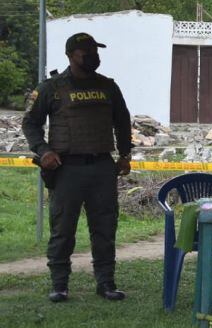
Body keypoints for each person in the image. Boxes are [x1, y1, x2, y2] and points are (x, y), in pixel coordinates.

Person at [22, 33, 133, 302]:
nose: (94, 56)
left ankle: (106, 283)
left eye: (96, 51)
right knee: (63, 230)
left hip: (102, 167)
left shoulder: (108, 86)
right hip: (66, 169)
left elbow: (122, 121)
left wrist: (125, 154)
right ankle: (59, 285)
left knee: (105, 228)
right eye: (87, 52)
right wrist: (44, 151)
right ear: (71, 55)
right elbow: (30, 123)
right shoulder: (51, 88)